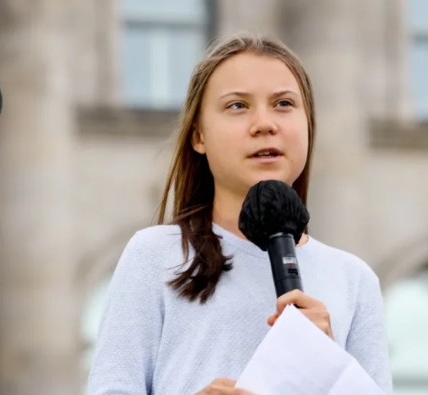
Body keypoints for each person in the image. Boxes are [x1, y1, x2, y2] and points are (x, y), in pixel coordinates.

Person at [85, 33, 393, 395]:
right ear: (198, 136)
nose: (264, 124)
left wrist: (328, 364)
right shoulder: (154, 256)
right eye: (237, 106)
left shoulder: (354, 280)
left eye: (283, 104)